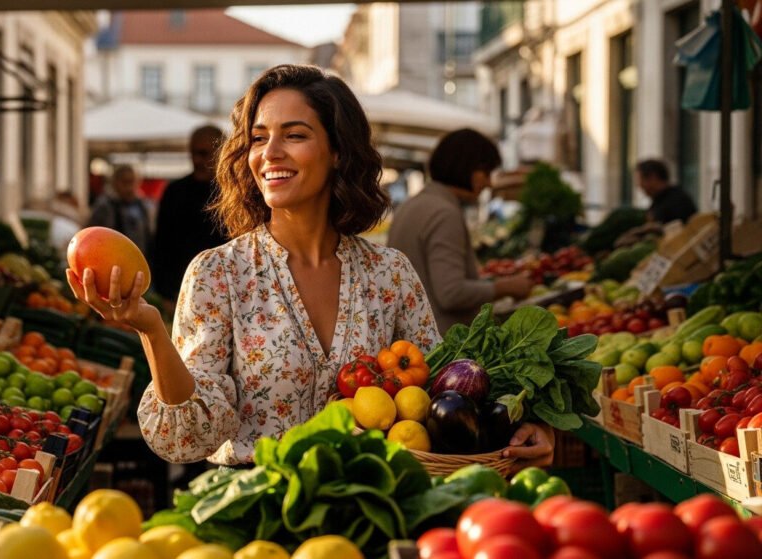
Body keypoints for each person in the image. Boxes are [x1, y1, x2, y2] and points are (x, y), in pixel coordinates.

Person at [67, 65, 553, 471]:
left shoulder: (390, 274)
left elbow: (445, 397)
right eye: (258, 138)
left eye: (294, 135)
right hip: (257, 515)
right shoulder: (219, 274)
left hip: (374, 510)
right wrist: (151, 330)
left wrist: (517, 421)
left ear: (338, 151)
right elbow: (189, 438)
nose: (270, 153)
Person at [387, 128, 533, 335]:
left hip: (414, 337)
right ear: (467, 168)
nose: (489, 183)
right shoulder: (444, 213)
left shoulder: (412, 205)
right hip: (443, 344)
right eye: (486, 173)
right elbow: (451, 293)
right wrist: (503, 288)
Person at [151, 125, 229, 304]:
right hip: (180, 292)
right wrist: (166, 293)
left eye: (203, 154)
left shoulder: (236, 192)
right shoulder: (175, 191)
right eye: (193, 153)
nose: (197, 160)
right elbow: (162, 245)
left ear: (221, 152)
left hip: (226, 292)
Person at [87, 164, 154, 255]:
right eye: (125, 182)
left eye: (132, 182)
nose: (129, 187)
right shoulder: (104, 206)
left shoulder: (142, 205)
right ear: (115, 182)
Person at [636, 159, 697, 225]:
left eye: (641, 180)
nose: (639, 185)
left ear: (653, 177)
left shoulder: (676, 201)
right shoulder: (662, 199)